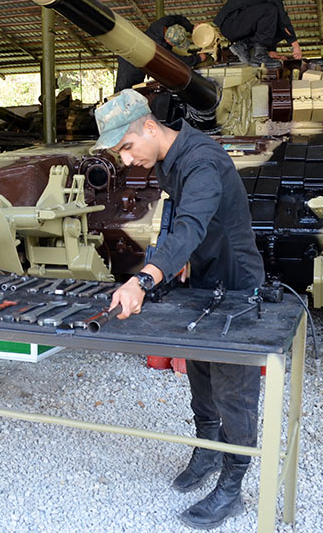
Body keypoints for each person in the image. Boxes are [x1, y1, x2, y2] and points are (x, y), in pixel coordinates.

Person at [93, 89, 265, 530]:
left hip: (234, 284)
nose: (126, 160)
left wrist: (145, 278)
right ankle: (207, 451)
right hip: (202, 279)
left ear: (150, 127)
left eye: (127, 147)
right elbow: (176, 217)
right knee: (200, 374)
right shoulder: (171, 159)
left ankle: (232, 487)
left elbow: (192, 224)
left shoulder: (202, 161)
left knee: (234, 390)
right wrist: (174, 259)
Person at [214, 0, 309, 70]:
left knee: (281, 24)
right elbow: (282, 17)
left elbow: (275, 23)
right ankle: (257, 55)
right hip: (231, 24)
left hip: (241, 24)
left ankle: (248, 47)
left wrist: (272, 50)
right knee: (273, 12)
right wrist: (295, 44)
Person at [114, 14, 208, 91]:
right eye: (174, 44)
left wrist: (191, 27)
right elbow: (177, 60)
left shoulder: (165, 22)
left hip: (140, 54)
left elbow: (178, 18)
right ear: (167, 40)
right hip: (131, 64)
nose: (174, 47)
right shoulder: (159, 46)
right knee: (125, 90)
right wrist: (198, 58)